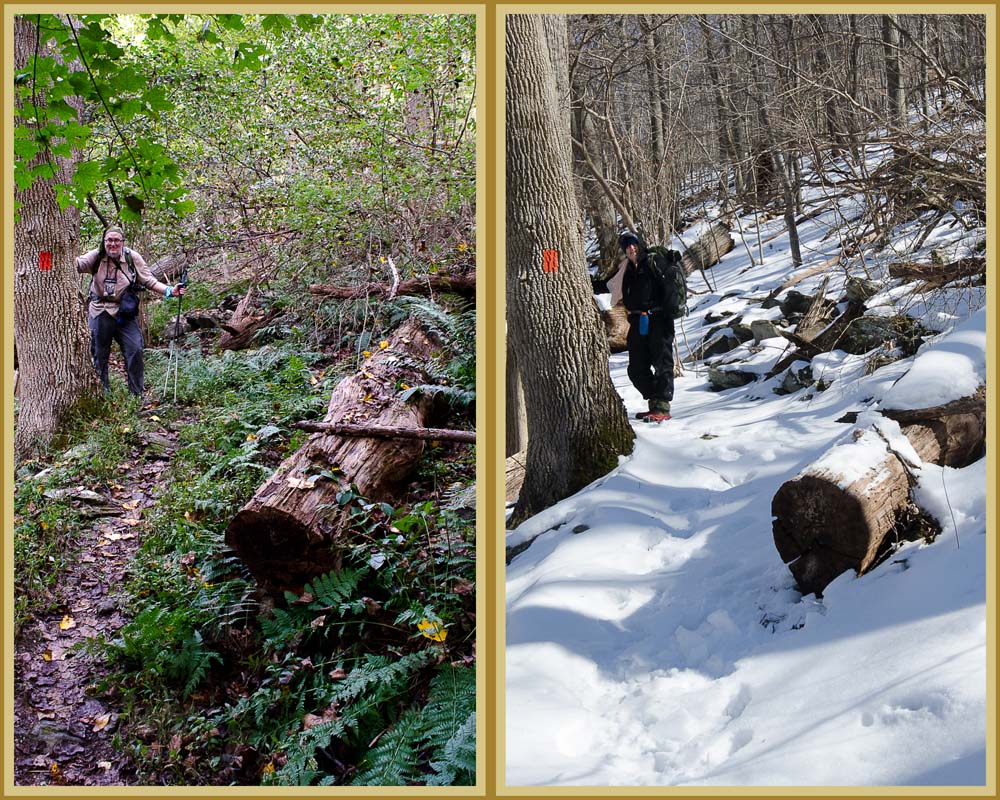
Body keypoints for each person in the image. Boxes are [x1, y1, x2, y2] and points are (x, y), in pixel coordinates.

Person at [76, 226, 186, 397]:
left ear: (122, 242)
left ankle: (136, 394)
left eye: (116, 240)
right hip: (99, 310)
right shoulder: (96, 256)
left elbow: (148, 280)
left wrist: (170, 290)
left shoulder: (131, 257)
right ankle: (103, 395)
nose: (112, 244)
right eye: (109, 240)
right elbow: (77, 264)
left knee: (134, 349)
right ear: (104, 241)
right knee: (99, 354)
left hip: (124, 312)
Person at [619, 232, 679, 423]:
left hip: (659, 318)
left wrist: (668, 317)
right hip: (637, 321)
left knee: (662, 363)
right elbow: (607, 284)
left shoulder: (655, 262)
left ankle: (662, 407)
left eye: (634, 244)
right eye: (627, 246)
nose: (631, 248)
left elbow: (670, 289)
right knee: (636, 368)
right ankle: (655, 401)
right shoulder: (626, 269)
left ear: (641, 244)